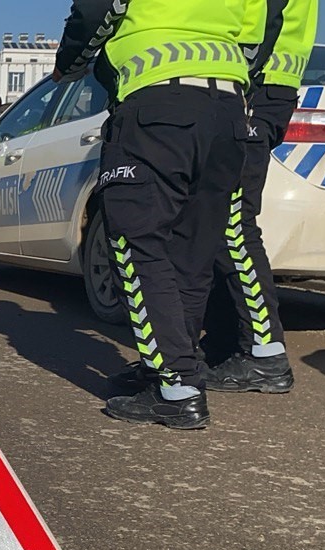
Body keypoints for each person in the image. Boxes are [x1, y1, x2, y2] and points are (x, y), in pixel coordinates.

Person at [55, 0, 256, 429]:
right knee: (193, 249)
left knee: (136, 241)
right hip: (228, 110)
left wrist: (69, 64)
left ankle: (175, 386)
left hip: (157, 102)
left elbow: (96, 9)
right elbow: (257, 32)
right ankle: (173, 365)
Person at [201, 0, 316, 393]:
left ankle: (265, 354)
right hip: (265, 84)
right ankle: (225, 343)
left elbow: (263, 18)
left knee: (232, 223)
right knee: (217, 221)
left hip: (255, 85)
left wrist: (241, 74)